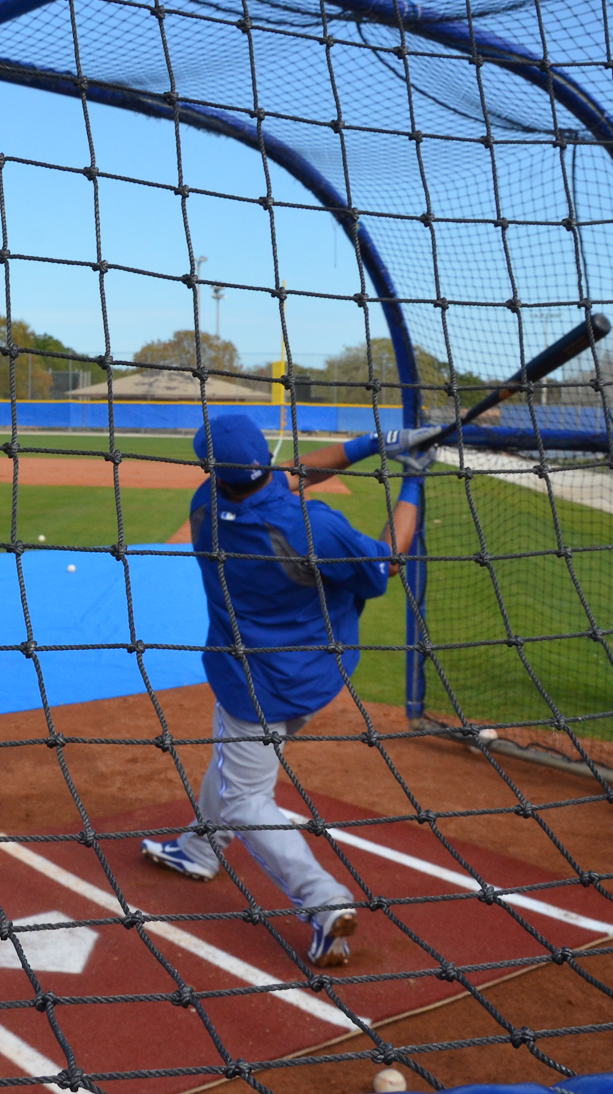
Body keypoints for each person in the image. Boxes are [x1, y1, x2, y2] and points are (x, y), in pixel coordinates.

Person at [142, 415, 426, 968]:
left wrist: (376, 445)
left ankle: (323, 903)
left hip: (254, 686)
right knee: (236, 767)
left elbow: (291, 477)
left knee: (246, 794)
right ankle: (201, 848)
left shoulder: (206, 507)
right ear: (264, 464)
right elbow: (389, 562)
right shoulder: (315, 526)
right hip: (319, 673)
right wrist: (412, 478)